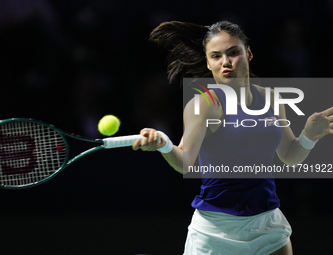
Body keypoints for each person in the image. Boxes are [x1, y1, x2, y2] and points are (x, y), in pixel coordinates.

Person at [132, 20, 333, 255]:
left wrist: (309, 136)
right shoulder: (203, 105)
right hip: (215, 230)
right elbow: (185, 162)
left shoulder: (272, 99)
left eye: (233, 53)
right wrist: (164, 144)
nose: (225, 62)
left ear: (248, 53)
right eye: (216, 56)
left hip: (266, 224)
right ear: (208, 63)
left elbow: (289, 156)